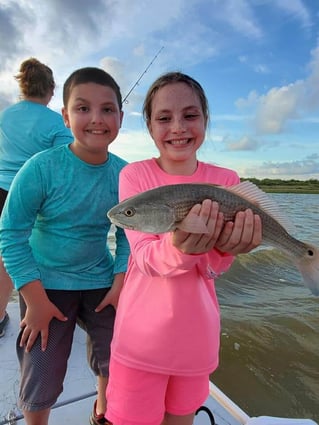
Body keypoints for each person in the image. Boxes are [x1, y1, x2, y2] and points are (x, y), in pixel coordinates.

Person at [105, 72, 263, 425]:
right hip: (139, 341)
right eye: (164, 118)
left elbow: (213, 269)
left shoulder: (226, 181)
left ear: (206, 119)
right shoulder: (134, 176)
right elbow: (144, 257)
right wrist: (179, 246)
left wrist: (226, 251)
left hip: (197, 341)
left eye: (190, 115)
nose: (177, 127)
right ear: (148, 125)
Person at [0, 67, 129, 425]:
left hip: (101, 279)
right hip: (46, 283)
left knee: (117, 349)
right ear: (65, 116)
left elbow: (128, 235)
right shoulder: (40, 168)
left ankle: (102, 408)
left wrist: (120, 282)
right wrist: (34, 299)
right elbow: (11, 232)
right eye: (83, 108)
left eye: (108, 109)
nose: (96, 119)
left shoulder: (126, 175)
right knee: (41, 362)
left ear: (121, 117)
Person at [0, 57, 73, 337]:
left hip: (1, 191)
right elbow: (66, 163)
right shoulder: (56, 122)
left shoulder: (4, 116)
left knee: (5, 255)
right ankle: (45, 312)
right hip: (34, 198)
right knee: (40, 254)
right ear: (51, 89)